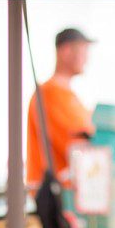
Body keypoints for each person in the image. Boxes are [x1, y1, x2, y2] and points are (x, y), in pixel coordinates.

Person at [26, 28, 95, 190]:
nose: (87, 58)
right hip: (53, 196)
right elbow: (78, 143)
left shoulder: (71, 97)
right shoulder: (48, 94)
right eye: (83, 50)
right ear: (65, 51)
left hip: (72, 195)